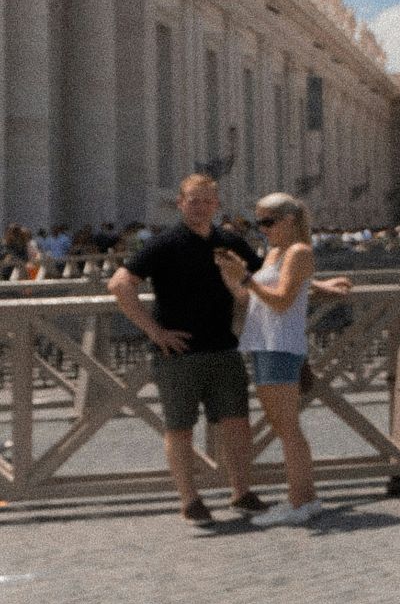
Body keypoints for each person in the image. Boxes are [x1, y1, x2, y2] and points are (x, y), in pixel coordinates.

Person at [106, 174, 268, 524]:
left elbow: (265, 280)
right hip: (177, 353)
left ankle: (241, 491)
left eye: (207, 200)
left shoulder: (229, 242)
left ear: (217, 204)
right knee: (180, 427)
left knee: (237, 422)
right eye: (193, 200)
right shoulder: (164, 244)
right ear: (180, 203)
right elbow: (119, 284)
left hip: (224, 347)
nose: (200, 205)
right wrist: (155, 331)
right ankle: (189, 499)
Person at [216, 192, 351, 525]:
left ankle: (301, 501)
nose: (261, 229)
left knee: (288, 429)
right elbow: (264, 293)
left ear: (289, 221)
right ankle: (302, 498)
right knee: (283, 427)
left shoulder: (299, 251)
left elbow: (280, 299)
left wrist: (246, 277)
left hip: (280, 345)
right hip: (263, 343)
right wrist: (232, 277)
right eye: (257, 222)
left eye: (267, 222)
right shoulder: (276, 252)